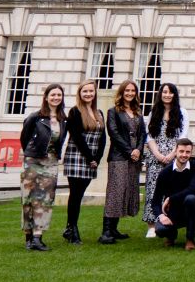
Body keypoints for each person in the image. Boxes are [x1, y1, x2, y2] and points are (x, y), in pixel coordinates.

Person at [19, 84, 67, 251]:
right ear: (46, 97)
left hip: (51, 163)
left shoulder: (63, 119)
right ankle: (28, 237)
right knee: (29, 199)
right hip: (32, 162)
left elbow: (60, 141)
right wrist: (32, 153)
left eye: (59, 95)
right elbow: (24, 138)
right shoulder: (35, 117)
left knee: (45, 200)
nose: (56, 97)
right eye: (53, 94)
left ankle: (38, 238)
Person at [143, 82, 190, 238]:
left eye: (170, 92)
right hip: (155, 157)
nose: (167, 95)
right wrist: (157, 153)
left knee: (171, 191)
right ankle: (151, 225)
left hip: (174, 156)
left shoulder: (181, 112)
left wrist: (173, 154)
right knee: (152, 190)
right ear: (160, 94)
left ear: (174, 95)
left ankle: (170, 222)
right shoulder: (154, 112)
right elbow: (149, 136)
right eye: (164, 92)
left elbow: (183, 135)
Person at [102, 79, 146, 244]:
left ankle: (114, 229)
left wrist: (138, 150)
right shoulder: (113, 112)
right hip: (119, 158)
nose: (130, 93)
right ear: (121, 92)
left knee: (126, 192)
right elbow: (114, 133)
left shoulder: (137, 112)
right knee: (115, 192)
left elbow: (142, 135)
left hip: (134, 159)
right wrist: (129, 152)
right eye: (127, 90)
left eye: (132, 91)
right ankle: (106, 232)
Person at [62, 80, 105, 245]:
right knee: (75, 195)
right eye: (85, 91)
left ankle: (68, 228)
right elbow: (78, 138)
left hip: (92, 160)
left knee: (79, 194)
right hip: (77, 157)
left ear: (95, 93)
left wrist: (97, 159)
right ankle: (72, 229)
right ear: (80, 93)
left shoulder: (99, 112)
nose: (88, 94)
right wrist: (90, 158)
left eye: (91, 91)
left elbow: (102, 139)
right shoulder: (74, 112)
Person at [152, 138, 195, 251]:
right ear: (175, 151)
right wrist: (161, 216)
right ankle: (171, 235)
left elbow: (192, 189)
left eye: (187, 152)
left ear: (191, 152)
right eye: (181, 151)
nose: (184, 155)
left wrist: (170, 198)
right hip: (172, 212)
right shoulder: (165, 173)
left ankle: (190, 239)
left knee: (191, 198)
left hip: (190, 209)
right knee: (160, 230)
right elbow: (155, 201)